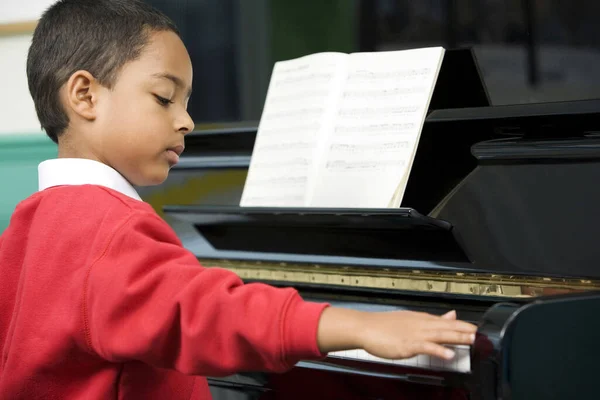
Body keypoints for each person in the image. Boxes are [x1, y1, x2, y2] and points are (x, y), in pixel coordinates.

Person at [0, 1, 477, 398]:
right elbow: (205, 314)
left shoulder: (30, 222)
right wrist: (359, 326)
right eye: (165, 98)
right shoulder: (111, 228)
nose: (186, 120)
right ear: (85, 96)